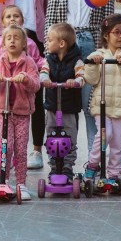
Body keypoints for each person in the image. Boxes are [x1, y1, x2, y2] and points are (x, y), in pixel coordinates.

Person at [45, 0, 113, 151]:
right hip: (65, 45)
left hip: (89, 42)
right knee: (63, 103)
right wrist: (49, 52)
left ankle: (95, 156)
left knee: (90, 105)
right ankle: (64, 156)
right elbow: (51, 21)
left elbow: (107, 22)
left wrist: (105, 51)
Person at [0, 0, 48, 168]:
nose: (13, 19)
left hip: (23, 91)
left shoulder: (29, 43)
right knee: (0, 119)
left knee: (27, 119)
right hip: (3, 89)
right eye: (9, 16)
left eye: (16, 16)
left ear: (23, 19)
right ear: (2, 21)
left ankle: (32, 153)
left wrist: (41, 72)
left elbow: (38, 61)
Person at [82, 14, 121, 187]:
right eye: (117, 32)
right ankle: (93, 163)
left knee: (117, 141)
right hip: (102, 105)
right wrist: (93, 64)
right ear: (106, 35)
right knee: (104, 134)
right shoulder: (97, 54)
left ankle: (113, 174)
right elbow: (91, 80)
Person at [0, 25, 40, 201]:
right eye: (9, 38)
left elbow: (36, 85)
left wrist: (26, 79)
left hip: (22, 113)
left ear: (24, 43)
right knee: (6, 148)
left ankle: (21, 183)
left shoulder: (29, 63)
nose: (13, 41)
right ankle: (4, 180)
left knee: (21, 149)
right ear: (3, 43)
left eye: (17, 38)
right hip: (3, 112)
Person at [39, 22, 86, 181]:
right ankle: (53, 167)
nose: (47, 43)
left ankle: (67, 168)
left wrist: (76, 81)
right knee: (51, 137)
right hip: (52, 107)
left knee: (69, 138)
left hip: (69, 108)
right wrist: (45, 79)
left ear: (61, 43)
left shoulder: (77, 60)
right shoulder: (49, 60)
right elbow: (43, 73)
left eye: (49, 40)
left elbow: (82, 77)